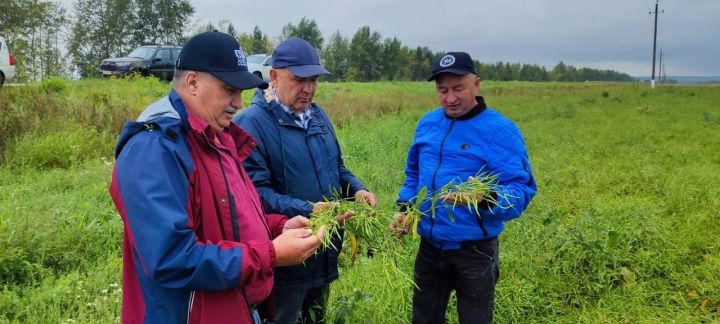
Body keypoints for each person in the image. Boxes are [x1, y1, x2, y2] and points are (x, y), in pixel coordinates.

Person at [108, 31, 325, 324]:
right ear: (193, 82)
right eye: (228, 89)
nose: (238, 102)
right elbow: (171, 258)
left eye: (240, 91)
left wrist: (277, 226)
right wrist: (270, 255)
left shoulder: (217, 136)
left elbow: (231, 218)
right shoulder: (155, 148)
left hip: (234, 306)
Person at [234, 37, 378, 324]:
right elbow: (253, 194)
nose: (309, 89)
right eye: (299, 79)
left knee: (315, 317)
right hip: (284, 259)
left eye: (314, 80)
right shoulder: (250, 124)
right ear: (274, 76)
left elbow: (337, 168)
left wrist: (357, 189)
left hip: (322, 250)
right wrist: (307, 209)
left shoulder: (318, 116)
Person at [392, 52, 537, 323]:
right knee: (423, 318)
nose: (450, 98)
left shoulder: (500, 130)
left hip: (475, 252)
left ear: (476, 84)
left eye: (458, 88)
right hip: (430, 248)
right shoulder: (428, 124)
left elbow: (521, 189)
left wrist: (484, 198)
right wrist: (406, 207)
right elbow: (414, 175)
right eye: (442, 90)